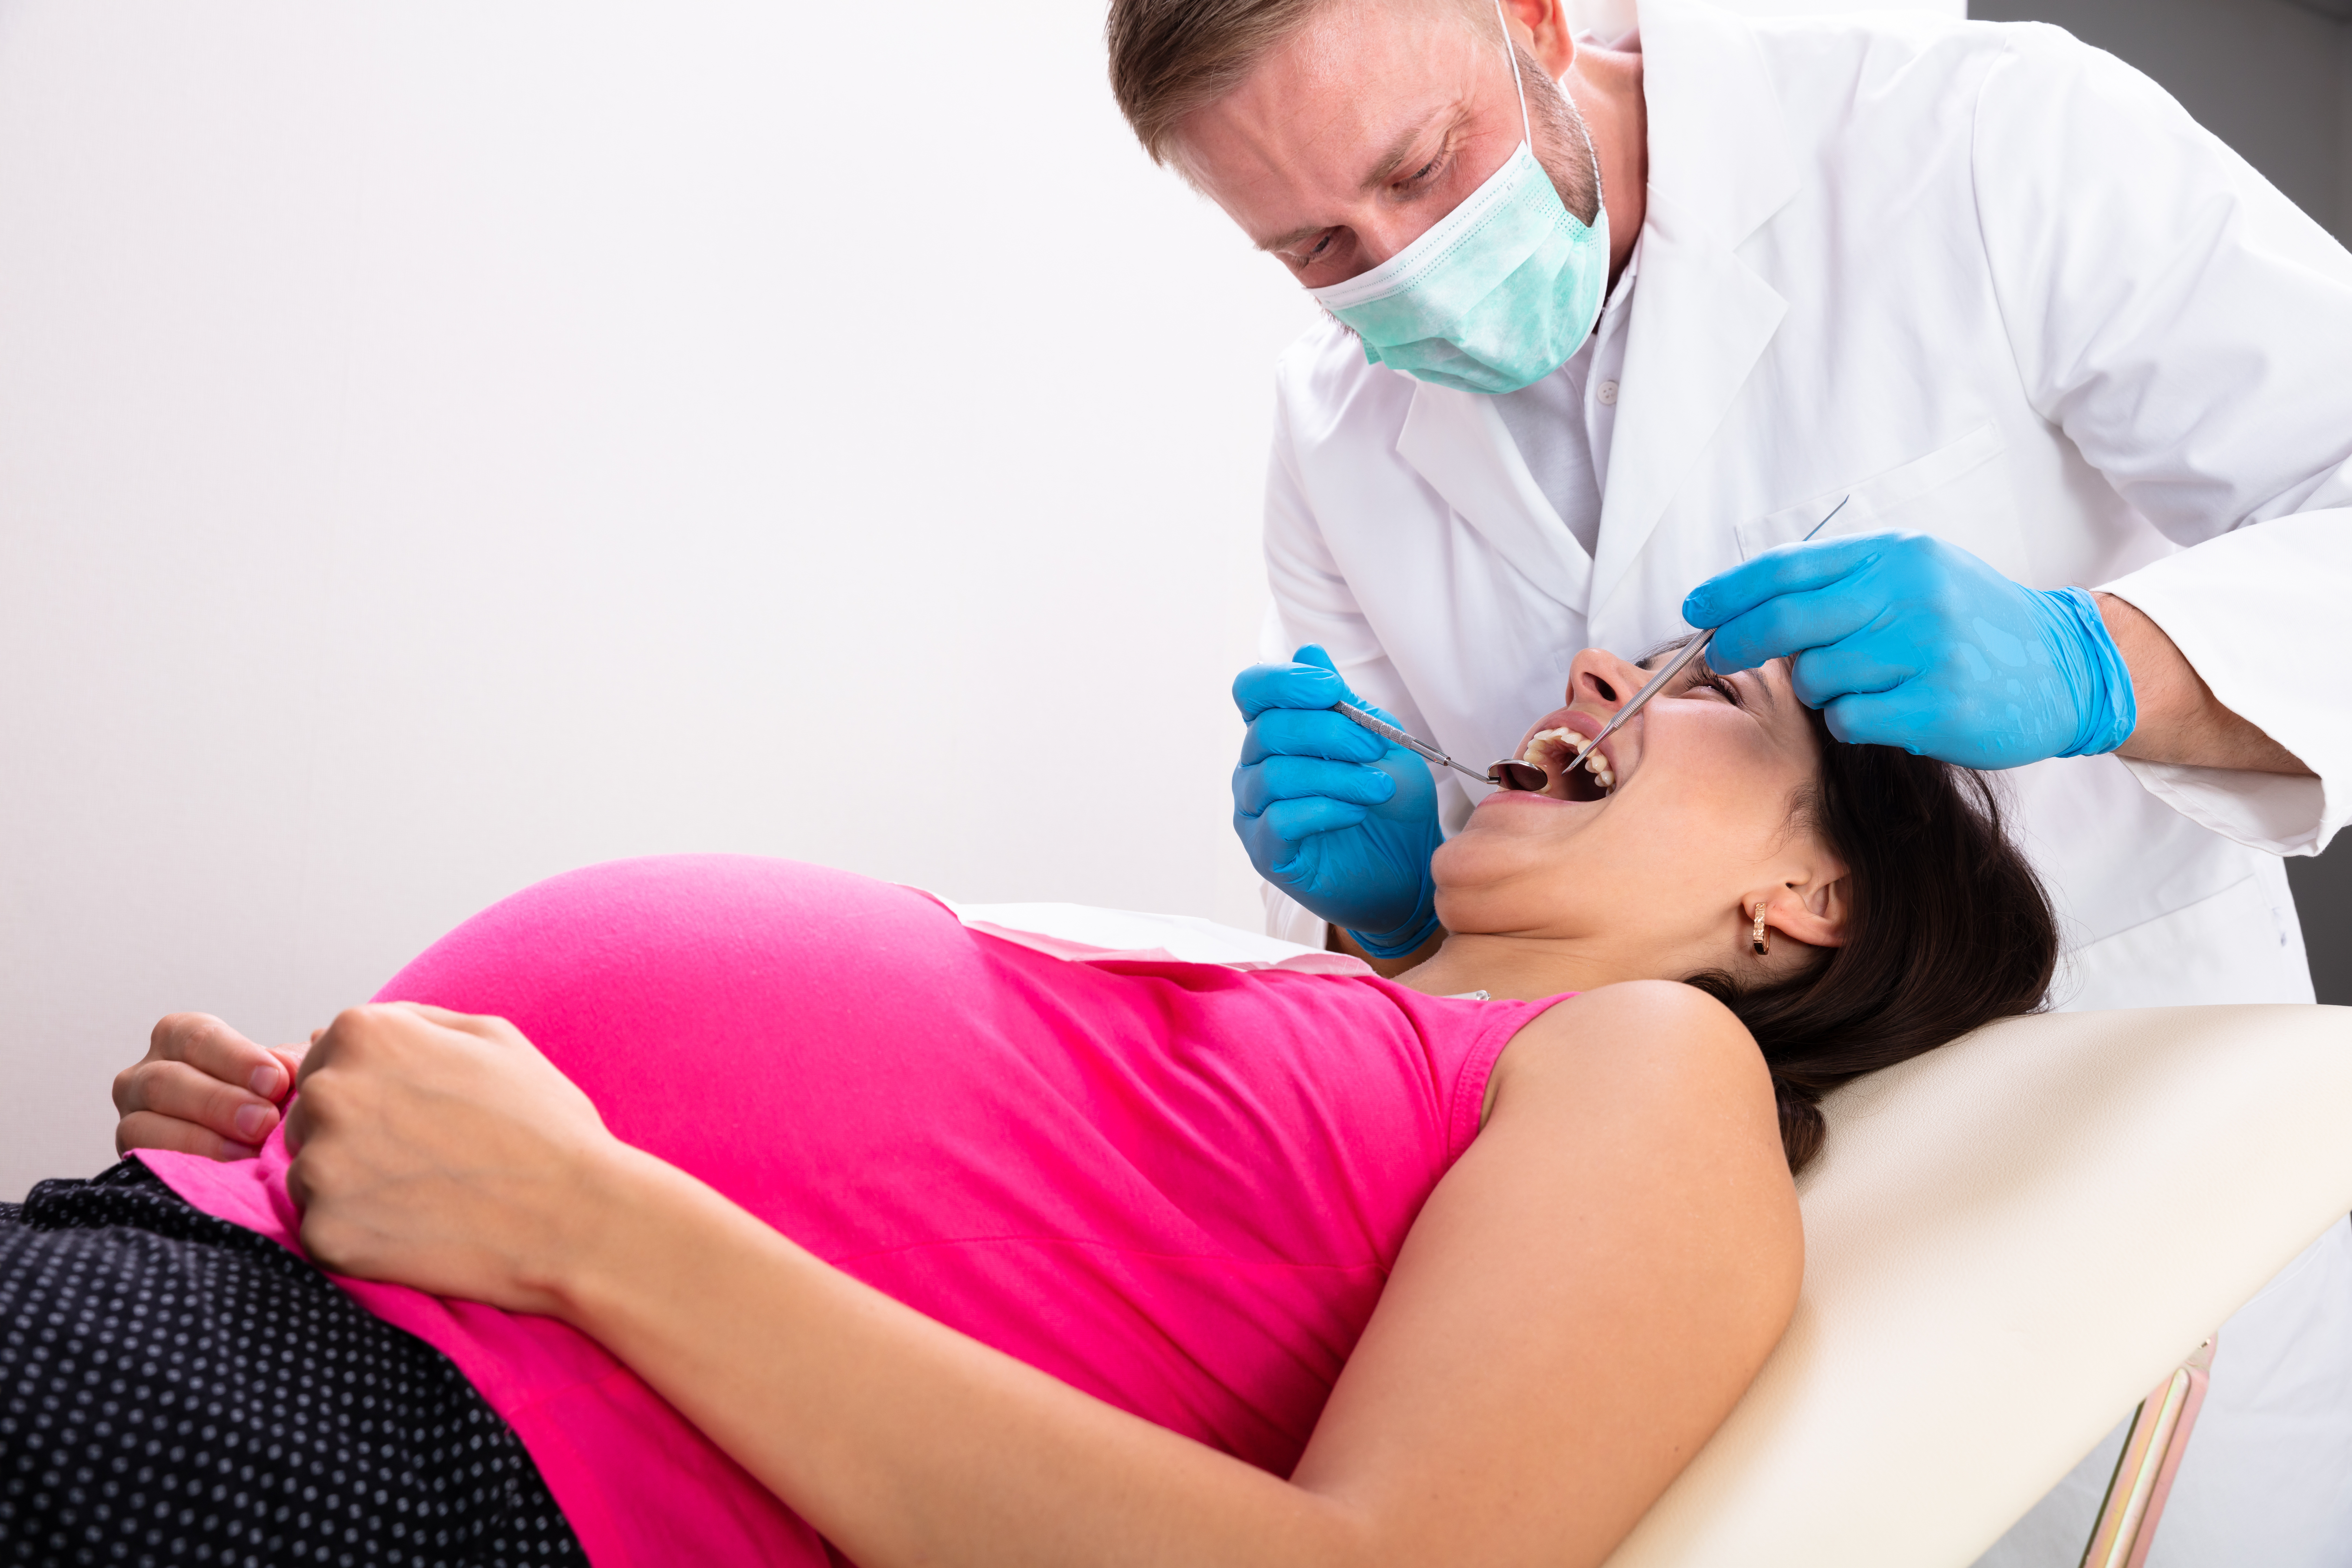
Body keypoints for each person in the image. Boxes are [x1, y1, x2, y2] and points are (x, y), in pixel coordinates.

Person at [1106, 0, 2352, 1554]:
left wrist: (2106, 662)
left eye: (1423, 169)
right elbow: (1446, 975)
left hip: (2126, 1171)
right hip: (1634, 1275)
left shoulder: (1970, 141)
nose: (1398, 264)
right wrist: (1383, 910)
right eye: (1318, 251)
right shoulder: (1333, 434)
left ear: (1539, 22)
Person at [12, 649, 2055, 1567]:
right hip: (218, 1293)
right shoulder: (1316, 1000)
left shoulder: (1657, 1070)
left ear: (1812, 894)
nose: (1607, 667)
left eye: (1711, 696)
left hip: (417, 1467)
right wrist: (305, 1131)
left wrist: (580, 1214)